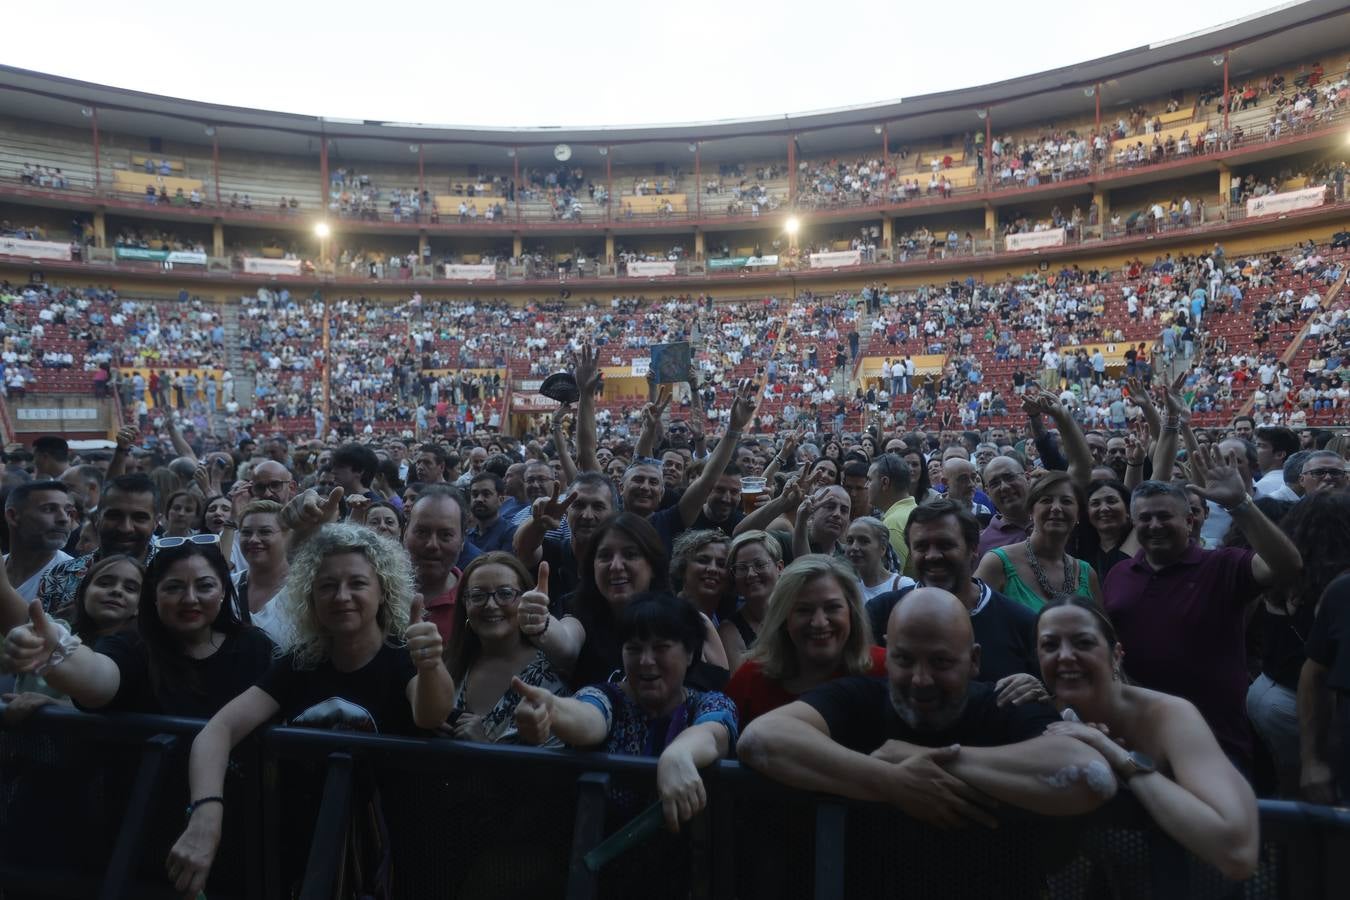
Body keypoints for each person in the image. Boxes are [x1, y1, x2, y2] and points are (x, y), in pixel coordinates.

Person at [163, 523, 453, 898]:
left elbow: (430, 713)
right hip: (305, 857)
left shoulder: (403, 658)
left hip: (394, 863)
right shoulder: (300, 664)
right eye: (327, 585)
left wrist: (430, 665)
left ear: (383, 591)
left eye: (358, 583)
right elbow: (218, 730)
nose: (341, 596)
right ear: (310, 596)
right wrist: (205, 813)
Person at [737, 588, 1115, 828]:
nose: (920, 679)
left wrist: (915, 757)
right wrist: (890, 781)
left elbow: (1089, 774)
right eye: (903, 660)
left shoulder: (1006, 704)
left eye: (940, 662)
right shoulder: (860, 696)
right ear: (887, 651)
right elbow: (763, 738)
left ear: (974, 660)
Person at [1036, 596, 1259, 879]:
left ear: (1116, 655)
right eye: (1050, 645)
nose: (1065, 655)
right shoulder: (1037, 713)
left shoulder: (1170, 716)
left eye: (1083, 642)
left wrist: (1119, 758)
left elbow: (1236, 852)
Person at [1106, 463, 1303, 773]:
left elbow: (1286, 566)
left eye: (1164, 516)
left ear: (1189, 520)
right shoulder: (1119, 574)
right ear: (1133, 522)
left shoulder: (1223, 565)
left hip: (1215, 739)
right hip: (1139, 736)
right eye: (1145, 518)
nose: (1154, 525)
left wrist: (1240, 505)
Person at [513, 592, 737, 834]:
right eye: (634, 648)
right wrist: (552, 709)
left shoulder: (710, 703)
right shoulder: (607, 697)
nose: (646, 661)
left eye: (661, 647)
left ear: (690, 652)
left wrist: (679, 754)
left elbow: (713, 733)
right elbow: (589, 716)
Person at [3, 539, 273, 717]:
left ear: (223, 592)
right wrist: (57, 653)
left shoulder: (254, 645)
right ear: (154, 596)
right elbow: (98, 676)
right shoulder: (132, 647)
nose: (190, 598)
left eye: (204, 586)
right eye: (174, 587)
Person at [867, 499, 1042, 688]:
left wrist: (1035, 688)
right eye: (921, 547)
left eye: (945, 545)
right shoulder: (879, 614)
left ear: (973, 549)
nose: (932, 555)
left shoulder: (1021, 623)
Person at [1248, 493, 1350, 795]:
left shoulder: (1281, 572)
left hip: (1266, 692)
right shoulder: (1338, 587)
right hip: (1299, 704)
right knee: (1319, 792)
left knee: (1285, 785)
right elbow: (1317, 672)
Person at [565, 513, 727, 691]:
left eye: (630, 554)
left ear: (654, 566)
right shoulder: (577, 621)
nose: (616, 566)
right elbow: (561, 642)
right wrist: (539, 624)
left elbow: (723, 701)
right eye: (605, 556)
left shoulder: (695, 624)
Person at [725, 555, 885, 727]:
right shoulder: (750, 681)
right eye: (804, 610)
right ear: (784, 618)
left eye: (832, 607)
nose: (819, 622)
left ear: (851, 613)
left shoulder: (885, 670)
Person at [443, 552, 567, 744]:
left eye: (505, 594)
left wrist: (485, 748)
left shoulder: (548, 677)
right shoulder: (449, 665)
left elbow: (554, 768)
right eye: (477, 596)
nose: (491, 605)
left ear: (525, 600)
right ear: (464, 603)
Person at [32, 473, 160, 623]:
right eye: (114, 516)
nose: (126, 528)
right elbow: (38, 638)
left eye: (139, 518)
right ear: (98, 518)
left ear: (156, 523)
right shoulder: (60, 575)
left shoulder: (170, 574)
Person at [975, 471, 1101, 612]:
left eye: (1066, 501)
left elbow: (1102, 630)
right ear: (1031, 510)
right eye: (1046, 500)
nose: (1056, 508)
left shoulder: (1087, 574)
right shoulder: (997, 564)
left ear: (1078, 514)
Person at [718, 530, 783, 673]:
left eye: (759, 564)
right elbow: (740, 688)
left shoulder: (798, 612)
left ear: (779, 568)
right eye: (741, 568)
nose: (751, 574)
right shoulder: (730, 630)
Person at [2, 481, 75, 610]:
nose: (63, 519)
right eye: (49, 509)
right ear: (13, 516)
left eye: (68, 512)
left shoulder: (73, 577)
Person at [233, 500, 290, 643]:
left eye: (265, 532)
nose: (253, 539)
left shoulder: (304, 591)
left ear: (287, 536)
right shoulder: (226, 587)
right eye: (246, 533)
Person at [844, 516, 913, 600]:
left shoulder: (903, 586)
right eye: (850, 541)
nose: (854, 547)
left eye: (864, 541)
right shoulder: (849, 589)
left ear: (882, 548)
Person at [867, 453, 916, 572]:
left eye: (869, 480)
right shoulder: (914, 510)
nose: (866, 486)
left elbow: (891, 579)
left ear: (885, 482)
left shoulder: (893, 524)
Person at [1083, 479, 1140, 581]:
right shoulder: (1080, 550)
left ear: (1128, 509)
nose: (1104, 508)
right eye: (1095, 504)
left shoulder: (1141, 542)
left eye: (1111, 501)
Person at [671, 529, 730, 621]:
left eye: (721, 564)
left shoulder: (718, 620)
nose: (712, 569)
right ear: (682, 566)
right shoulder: (666, 616)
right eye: (703, 560)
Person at [978, 456, 1033, 554]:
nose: (1004, 487)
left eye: (1010, 477)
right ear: (987, 493)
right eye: (995, 483)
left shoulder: (1053, 520)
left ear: (1028, 478)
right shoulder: (983, 543)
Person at [467, 472, 517, 553]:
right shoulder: (467, 535)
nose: (479, 499)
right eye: (475, 495)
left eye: (486, 494)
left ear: (501, 500)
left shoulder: (511, 533)